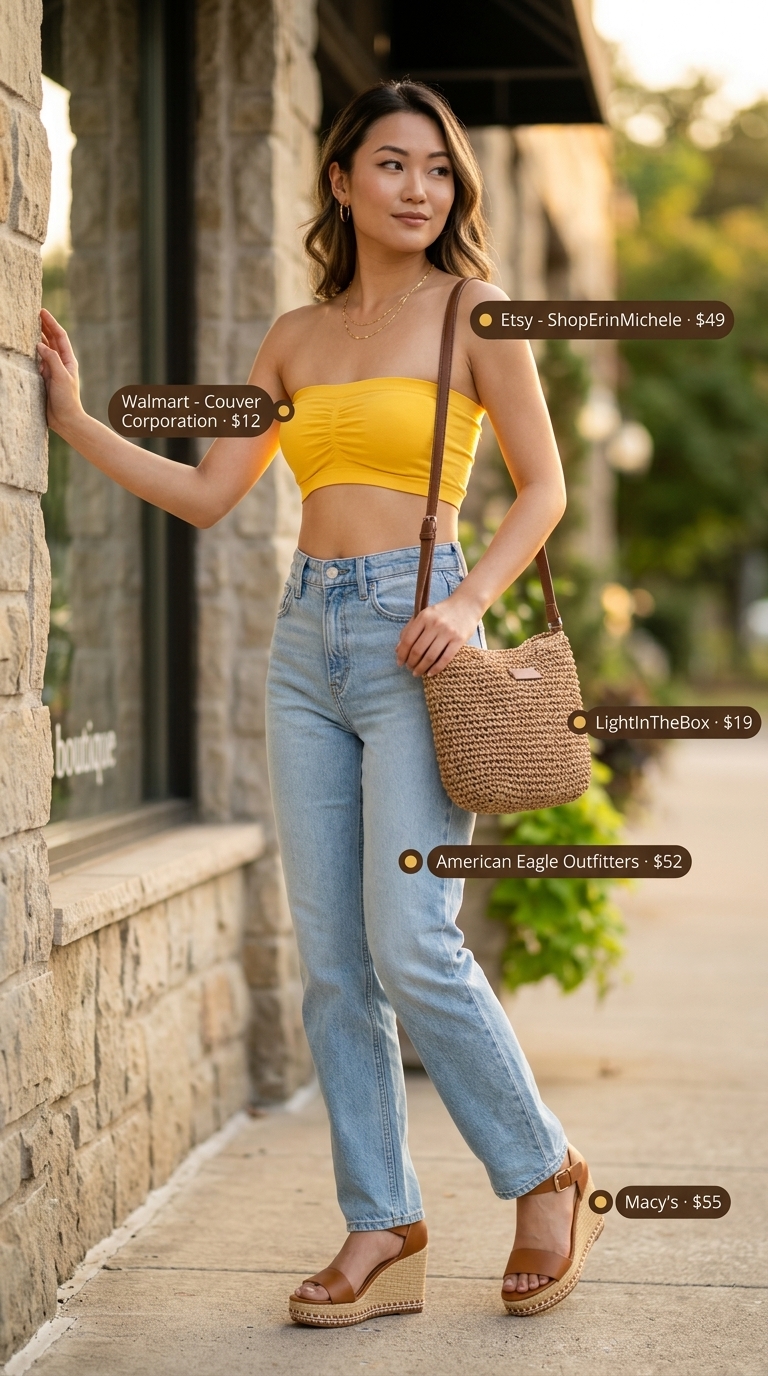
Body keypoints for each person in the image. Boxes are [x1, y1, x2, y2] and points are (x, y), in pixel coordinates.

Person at [38, 79, 602, 1326]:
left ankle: (544, 1169)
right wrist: (73, 422)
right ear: (340, 180)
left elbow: (546, 486)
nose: (419, 188)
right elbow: (209, 494)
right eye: (392, 163)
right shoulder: (293, 335)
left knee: (412, 937)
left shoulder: (474, 309)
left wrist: (467, 602)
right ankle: (381, 1222)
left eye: (438, 169)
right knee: (335, 963)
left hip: (421, 638)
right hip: (307, 646)